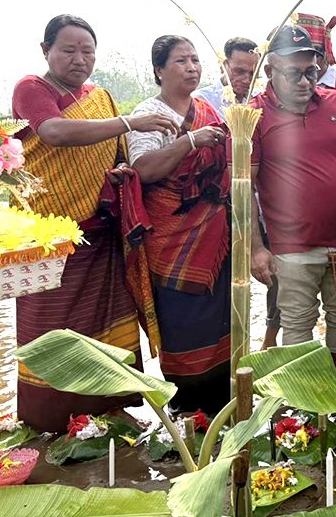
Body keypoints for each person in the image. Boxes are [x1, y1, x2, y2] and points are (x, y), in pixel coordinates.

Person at [10, 14, 179, 432]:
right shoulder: (32, 88)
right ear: (45, 50)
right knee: (49, 325)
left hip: (100, 232)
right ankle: (50, 420)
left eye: (87, 51)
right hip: (49, 239)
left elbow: (117, 155)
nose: (79, 59)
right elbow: (53, 132)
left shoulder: (98, 97)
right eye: (68, 50)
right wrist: (129, 121)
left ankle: (109, 411)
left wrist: (122, 171)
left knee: (104, 321)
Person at [249, 25, 336, 409]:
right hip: (291, 247)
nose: (306, 81)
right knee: (297, 324)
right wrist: (256, 248)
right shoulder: (252, 116)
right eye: (295, 73)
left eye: (312, 71)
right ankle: (302, 403)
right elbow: (242, 190)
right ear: (270, 69)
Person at [126, 35, 231, 414]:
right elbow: (144, 169)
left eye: (195, 60)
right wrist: (189, 141)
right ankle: (186, 410)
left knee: (222, 319)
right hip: (173, 241)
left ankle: (222, 407)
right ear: (158, 69)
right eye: (180, 61)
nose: (192, 67)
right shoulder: (149, 114)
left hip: (216, 233)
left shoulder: (208, 108)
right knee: (184, 321)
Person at [193, 37, 261, 120]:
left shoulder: (260, 100)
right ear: (223, 66)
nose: (246, 80)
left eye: (253, 74)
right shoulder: (201, 100)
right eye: (239, 71)